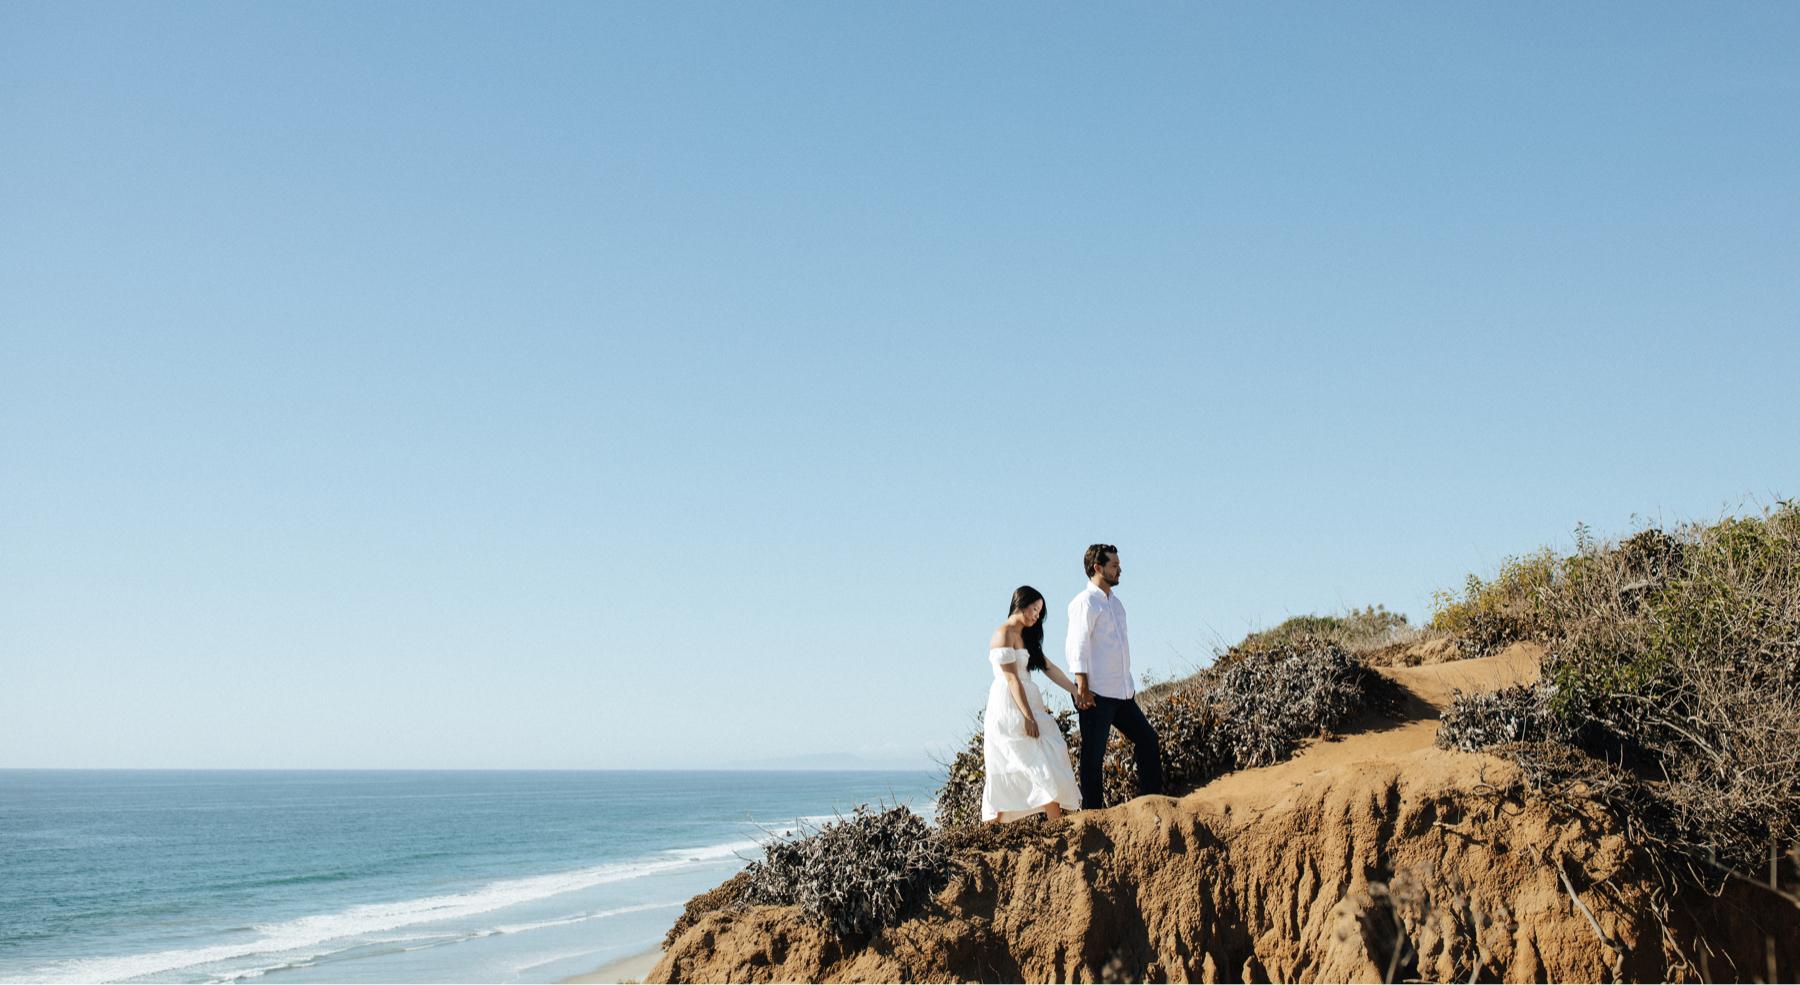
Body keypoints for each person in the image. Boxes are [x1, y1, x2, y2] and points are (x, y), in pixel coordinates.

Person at [1066, 544, 1163, 810]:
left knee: (1147, 739)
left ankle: (1153, 801)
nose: (1119, 570)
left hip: (1122, 693)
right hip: (1095, 693)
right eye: (1114, 566)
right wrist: (1082, 686)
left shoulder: (1117, 604)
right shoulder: (1084, 602)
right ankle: (1093, 814)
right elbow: (1077, 645)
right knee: (1093, 756)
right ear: (1098, 568)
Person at [981, 585, 1083, 823]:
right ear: (1022, 604)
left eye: (1040, 612)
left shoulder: (1027, 637)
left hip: (1030, 701)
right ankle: (994, 830)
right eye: (1035, 609)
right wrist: (1028, 717)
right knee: (1014, 764)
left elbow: (1048, 667)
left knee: (1048, 755)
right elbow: (1011, 679)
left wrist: (1074, 690)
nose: (1037, 616)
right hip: (1009, 705)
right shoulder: (1003, 633)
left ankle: (1056, 824)